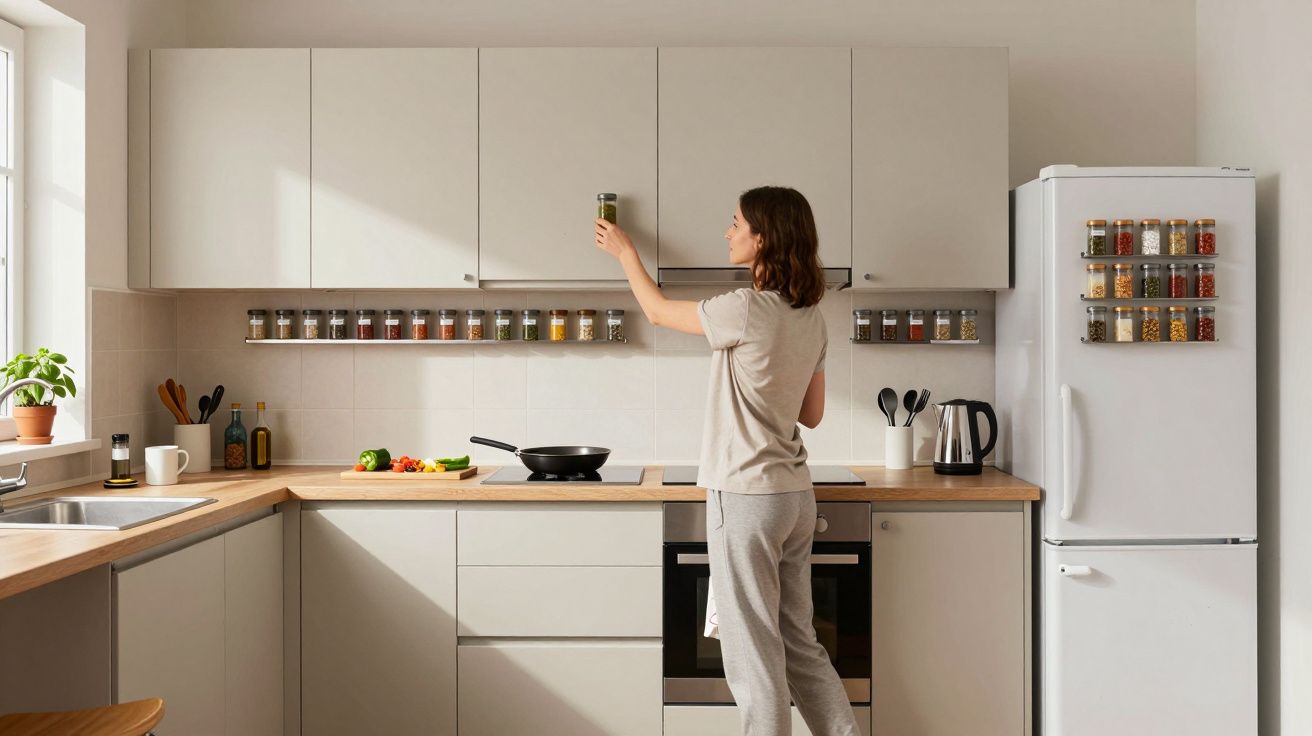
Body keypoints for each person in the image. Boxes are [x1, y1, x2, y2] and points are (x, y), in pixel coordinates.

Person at [595, 186, 859, 736]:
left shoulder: (741, 308)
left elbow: (657, 311)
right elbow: (811, 414)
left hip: (746, 498)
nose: (727, 232)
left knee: (753, 656)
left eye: (735, 223)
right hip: (794, 497)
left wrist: (625, 254)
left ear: (763, 237)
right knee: (800, 644)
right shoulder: (812, 318)